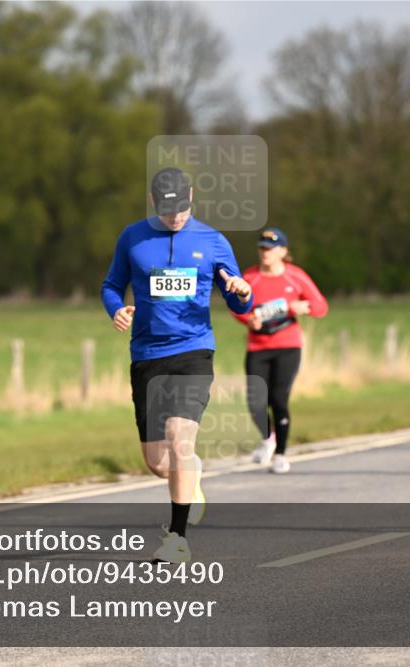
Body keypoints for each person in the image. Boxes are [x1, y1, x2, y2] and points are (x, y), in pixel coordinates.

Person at [101, 167, 253, 563]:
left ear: (191, 195)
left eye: (183, 208)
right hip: (147, 356)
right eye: (169, 211)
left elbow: (239, 299)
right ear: (154, 202)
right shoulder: (132, 237)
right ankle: (193, 473)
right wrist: (117, 310)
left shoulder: (212, 241)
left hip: (193, 352)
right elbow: (111, 285)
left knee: (179, 438)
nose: (176, 217)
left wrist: (241, 292)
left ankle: (177, 539)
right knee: (157, 461)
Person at [233, 228, 328, 473]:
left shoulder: (295, 277)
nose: (265, 253)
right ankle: (267, 438)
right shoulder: (251, 277)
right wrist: (248, 320)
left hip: (287, 346)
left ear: (283, 252)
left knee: (278, 398)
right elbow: (236, 306)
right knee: (255, 401)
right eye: (262, 248)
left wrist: (297, 307)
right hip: (258, 346)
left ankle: (281, 455)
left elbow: (320, 306)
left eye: (271, 249)